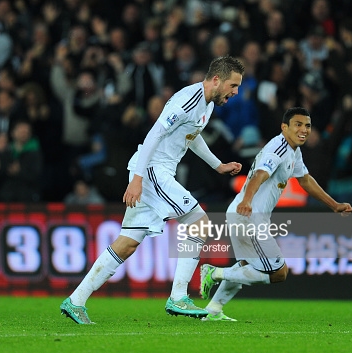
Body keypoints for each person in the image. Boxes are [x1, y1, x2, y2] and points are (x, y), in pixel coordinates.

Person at [60, 55, 245, 324]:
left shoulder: (206, 104)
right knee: (200, 225)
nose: (235, 92)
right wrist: (137, 178)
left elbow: (191, 136)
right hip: (152, 170)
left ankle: (75, 301)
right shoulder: (189, 99)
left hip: (153, 172)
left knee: (126, 244)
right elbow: (154, 135)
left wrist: (218, 165)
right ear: (216, 80)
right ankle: (179, 296)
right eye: (233, 85)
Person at [199, 107, 352, 321]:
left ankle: (213, 310)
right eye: (298, 124)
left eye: (307, 125)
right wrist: (247, 200)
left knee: (245, 267)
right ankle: (214, 273)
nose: (304, 130)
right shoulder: (278, 149)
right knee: (279, 273)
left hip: (241, 212)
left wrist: (334, 204)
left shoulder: (293, 151)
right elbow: (260, 174)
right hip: (248, 215)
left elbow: (305, 179)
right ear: (284, 127)